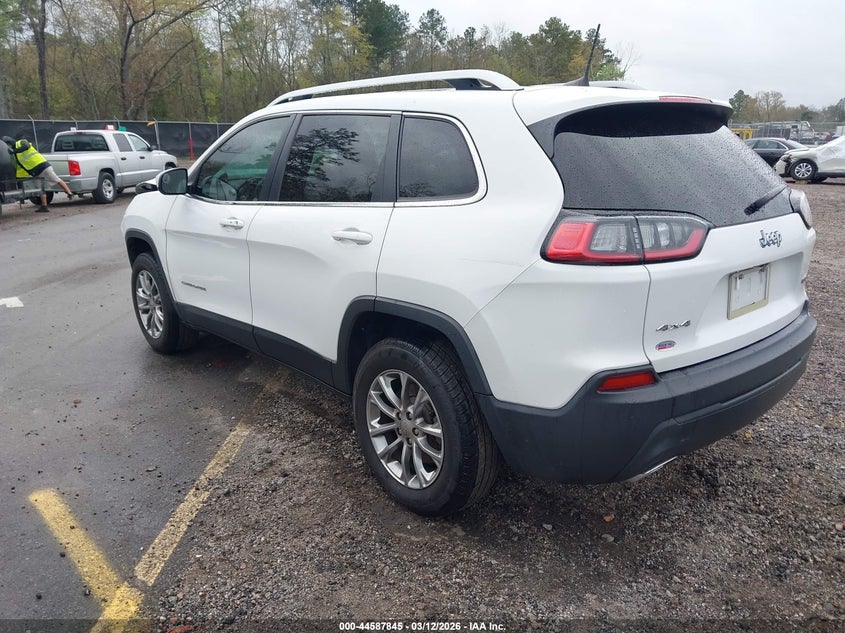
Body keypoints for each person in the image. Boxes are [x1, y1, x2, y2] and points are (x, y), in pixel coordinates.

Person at [3, 135, 75, 212]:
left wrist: (14, 151)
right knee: (40, 188)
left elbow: (26, 146)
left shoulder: (21, 142)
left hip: (42, 165)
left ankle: (69, 193)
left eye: (7, 144)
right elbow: (21, 166)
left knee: (55, 179)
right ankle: (44, 206)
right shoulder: (14, 153)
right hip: (34, 171)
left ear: (10, 142)